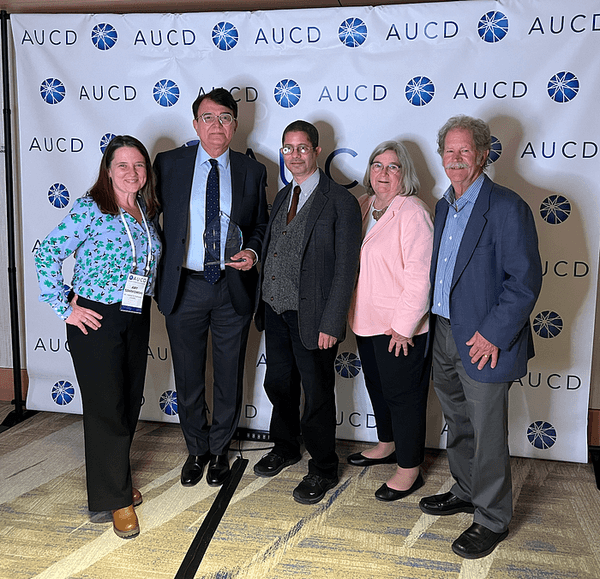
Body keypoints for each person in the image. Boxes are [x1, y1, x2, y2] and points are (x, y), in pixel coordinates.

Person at [419, 115, 542, 559]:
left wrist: (492, 334)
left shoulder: (507, 207)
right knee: (459, 422)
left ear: (484, 155)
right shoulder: (441, 204)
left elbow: (524, 281)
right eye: (448, 151)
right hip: (445, 332)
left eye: (464, 151)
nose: (454, 159)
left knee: (488, 432)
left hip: (484, 340)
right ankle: (466, 490)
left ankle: (492, 518)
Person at [35, 135, 162, 539]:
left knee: (126, 403)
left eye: (139, 165)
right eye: (122, 165)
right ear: (108, 170)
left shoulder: (144, 209)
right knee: (106, 407)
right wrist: (65, 306)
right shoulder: (91, 209)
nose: (132, 172)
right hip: (95, 318)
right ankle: (116, 500)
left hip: (135, 313)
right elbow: (45, 253)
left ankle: (116, 480)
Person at [153, 88, 268, 488]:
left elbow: (260, 224)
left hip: (231, 287)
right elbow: (147, 216)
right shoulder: (168, 164)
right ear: (195, 123)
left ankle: (219, 451)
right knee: (187, 375)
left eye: (224, 118)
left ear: (235, 124)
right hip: (184, 286)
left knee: (228, 374)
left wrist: (253, 251)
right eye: (207, 117)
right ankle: (196, 450)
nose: (216, 125)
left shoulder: (253, 170)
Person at [253, 120, 362, 505]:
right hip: (276, 309)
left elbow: (347, 268)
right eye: (288, 148)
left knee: (316, 394)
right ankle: (285, 447)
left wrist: (333, 322)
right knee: (279, 384)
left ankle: (323, 467)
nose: (294, 155)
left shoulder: (341, 201)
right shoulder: (284, 196)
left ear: (317, 151)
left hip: (314, 318)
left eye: (302, 148)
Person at [347, 140, 433, 501]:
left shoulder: (412, 211)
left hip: (398, 326)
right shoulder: (365, 205)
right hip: (364, 319)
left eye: (393, 167)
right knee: (378, 389)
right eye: (377, 165)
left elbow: (420, 275)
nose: (383, 173)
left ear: (405, 174)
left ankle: (409, 468)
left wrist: (404, 325)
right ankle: (386, 444)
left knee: (404, 397)